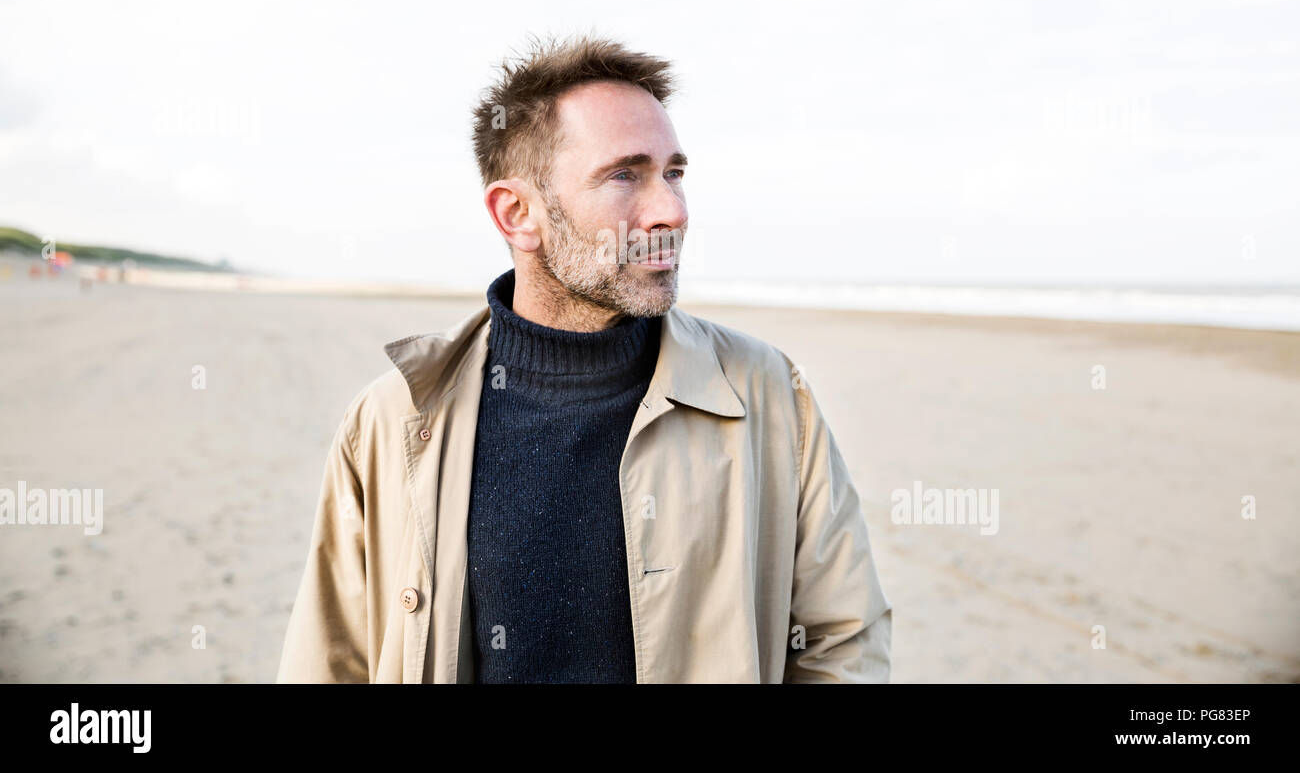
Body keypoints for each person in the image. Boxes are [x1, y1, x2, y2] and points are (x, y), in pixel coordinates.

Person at [276, 35, 892, 683]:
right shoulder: (390, 421)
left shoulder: (766, 393)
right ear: (518, 214)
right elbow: (329, 657)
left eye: (674, 173)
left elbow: (841, 639)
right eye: (626, 173)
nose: (672, 211)